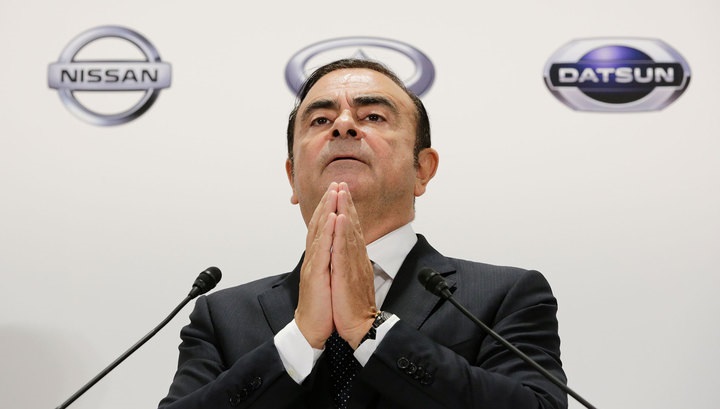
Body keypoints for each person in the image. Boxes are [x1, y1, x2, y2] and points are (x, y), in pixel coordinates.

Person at [158, 58, 567, 409]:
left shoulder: (503, 297)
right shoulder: (221, 317)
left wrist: (372, 331)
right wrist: (298, 341)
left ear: (422, 170)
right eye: (321, 120)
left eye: (373, 116)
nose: (343, 126)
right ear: (293, 177)